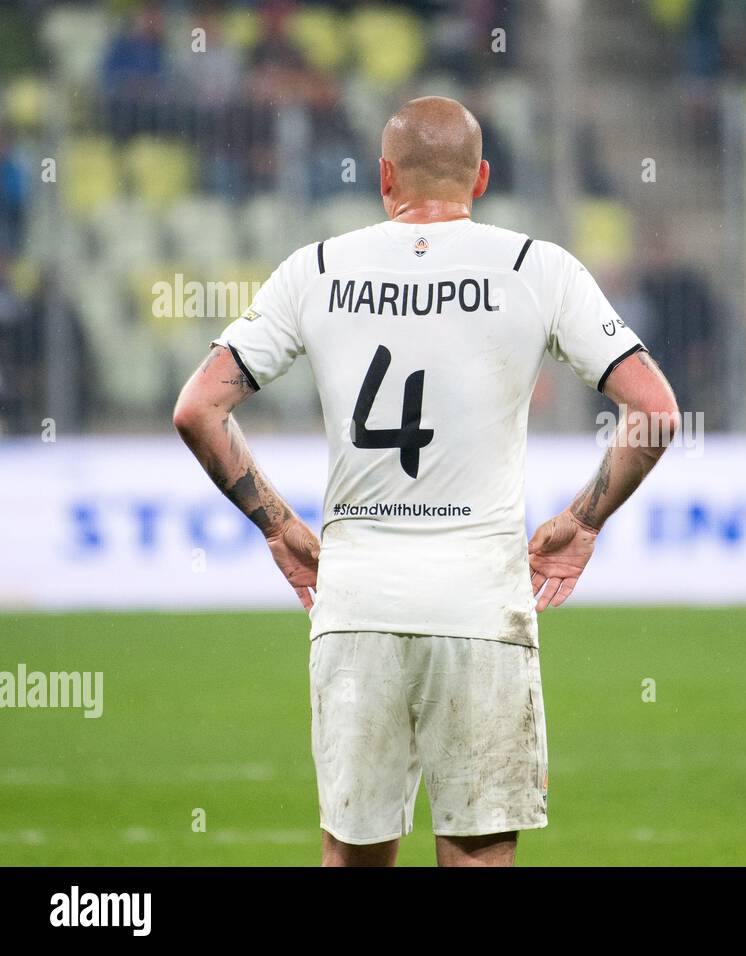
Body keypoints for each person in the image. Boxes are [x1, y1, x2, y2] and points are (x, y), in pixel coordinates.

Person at [172, 96, 679, 867]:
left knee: (353, 855)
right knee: (476, 855)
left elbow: (198, 409)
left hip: (356, 602)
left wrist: (278, 526)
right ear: (480, 177)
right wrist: (582, 522)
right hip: (479, 601)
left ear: (383, 177)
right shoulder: (534, 267)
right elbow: (653, 412)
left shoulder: (316, 268)